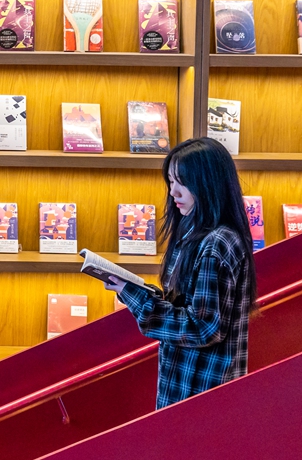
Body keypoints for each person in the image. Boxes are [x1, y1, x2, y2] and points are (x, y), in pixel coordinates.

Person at [104, 137, 258, 409]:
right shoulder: (192, 232)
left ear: (208, 184)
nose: (173, 192)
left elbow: (204, 328)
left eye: (182, 182)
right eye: (171, 182)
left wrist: (137, 299)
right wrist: (135, 292)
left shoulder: (216, 243)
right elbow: (188, 307)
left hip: (202, 398)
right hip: (187, 390)